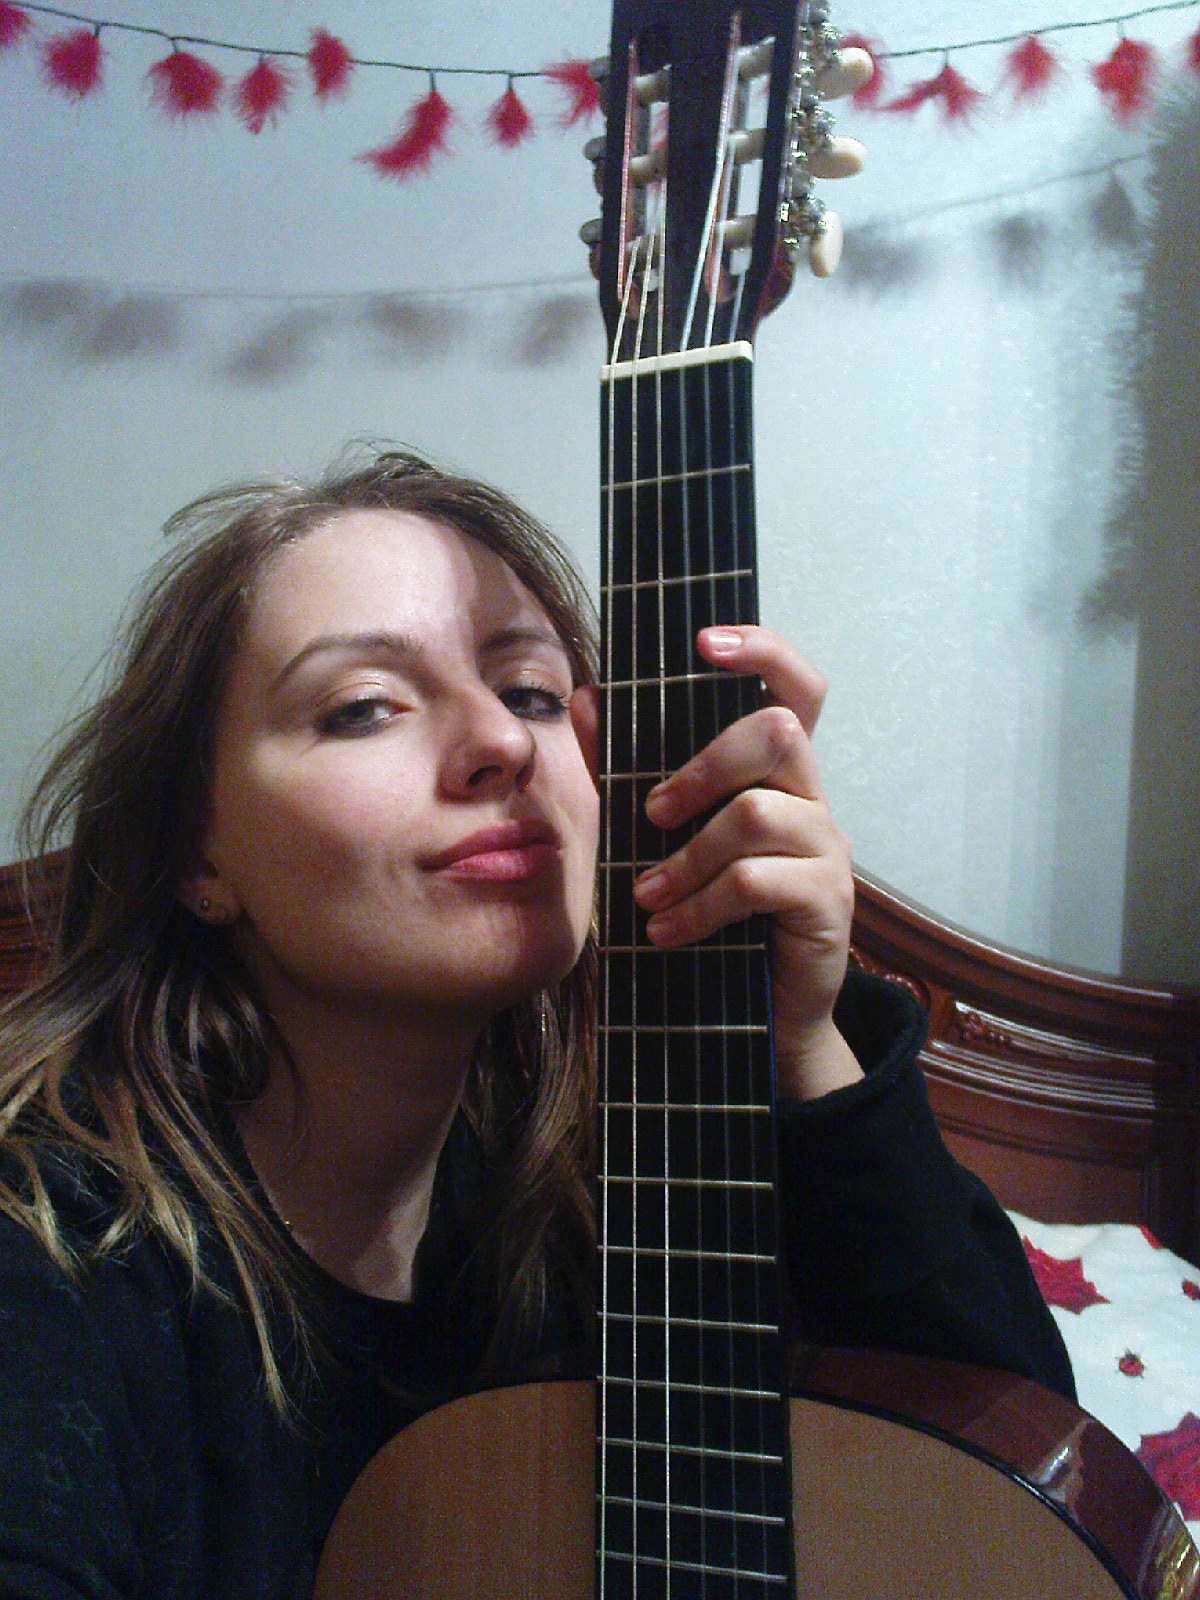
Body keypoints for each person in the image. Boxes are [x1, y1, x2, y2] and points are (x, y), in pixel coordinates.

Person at [0, 446, 1072, 1598]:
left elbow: (1022, 1503)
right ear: (196, 858)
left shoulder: (634, 1181)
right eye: (362, 707)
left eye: (531, 693)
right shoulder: (51, 1245)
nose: (505, 743)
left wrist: (803, 1045)